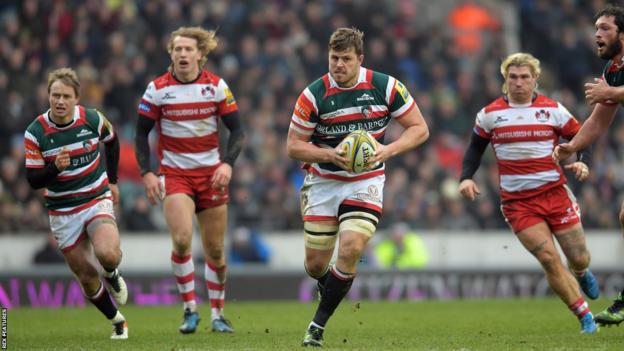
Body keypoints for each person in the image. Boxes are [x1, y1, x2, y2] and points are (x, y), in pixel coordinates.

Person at [286, 27, 429, 347]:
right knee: (315, 265)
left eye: (345, 59)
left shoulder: (385, 86)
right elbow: (294, 146)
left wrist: (387, 150)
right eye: (333, 58)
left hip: (366, 181)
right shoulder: (314, 94)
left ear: (360, 59)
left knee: (350, 249)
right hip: (323, 181)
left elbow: (419, 129)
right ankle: (331, 287)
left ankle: (316, 327)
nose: (338, 65)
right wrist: (328, 154)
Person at [459, 53, 599, 334]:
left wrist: (581, 160)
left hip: (555, 195)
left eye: (524, 77)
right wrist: (465, 178)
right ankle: (584, 316)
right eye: (513, 77)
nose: (518, 83)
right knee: (548, 258)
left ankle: (581, 272)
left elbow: (581, 136)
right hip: (518, 204)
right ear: (505, 79)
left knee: (578, 257)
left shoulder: (554, 110)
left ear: (535, 79)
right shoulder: (489, 115)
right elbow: (475, 148)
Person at [134, 26, 244, 334]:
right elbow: (141, 133)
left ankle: (218, 315)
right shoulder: (157, 89)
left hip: (212, 176)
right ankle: (189, 310)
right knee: (182, 239)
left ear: (200, 55)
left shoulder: (216, 87)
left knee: (216, 251)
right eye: (177, 49)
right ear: (171, 53)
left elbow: (238, 130)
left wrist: (228, 164)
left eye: (188, 49)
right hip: (175, 175)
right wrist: (147, 172)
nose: (182, 54)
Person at [24, 67, 128, 339]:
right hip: (62, 210)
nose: (59, 101)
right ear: (48, 96)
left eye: (66, 96)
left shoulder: (92, 119)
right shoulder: (35, 133)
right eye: (55, 95)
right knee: (85, 275)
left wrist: (113, 181)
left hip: (95, 197)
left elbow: (113, 141)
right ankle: (117, 319)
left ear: (76, 98)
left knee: (107, 254)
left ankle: (112, 271)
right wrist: (54, 168)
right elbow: (34, 180)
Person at [553, 5, 624, 327]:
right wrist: (573, 147)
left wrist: (611, 92)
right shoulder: (613, 70)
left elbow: (610, 98)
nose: (597, 34)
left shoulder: (612, 82)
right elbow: (598, 121)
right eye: (596, 28)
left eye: (606, 28)